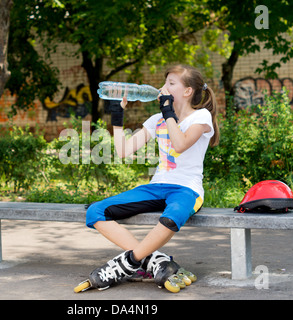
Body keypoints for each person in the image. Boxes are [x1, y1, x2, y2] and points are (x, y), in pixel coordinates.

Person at [84, 64, 220, 291]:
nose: (163, 88)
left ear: (187, 91)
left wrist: (168, 112)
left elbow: (180, 144)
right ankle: (155, 261)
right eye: (165, 82)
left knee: (173, 214)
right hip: (156, 186)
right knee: (95, 211)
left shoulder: (201, 117)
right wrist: (118, 114)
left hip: (187, 189)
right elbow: (123, 151)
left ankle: (128, 262)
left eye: (171, 84)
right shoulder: (157, 119)